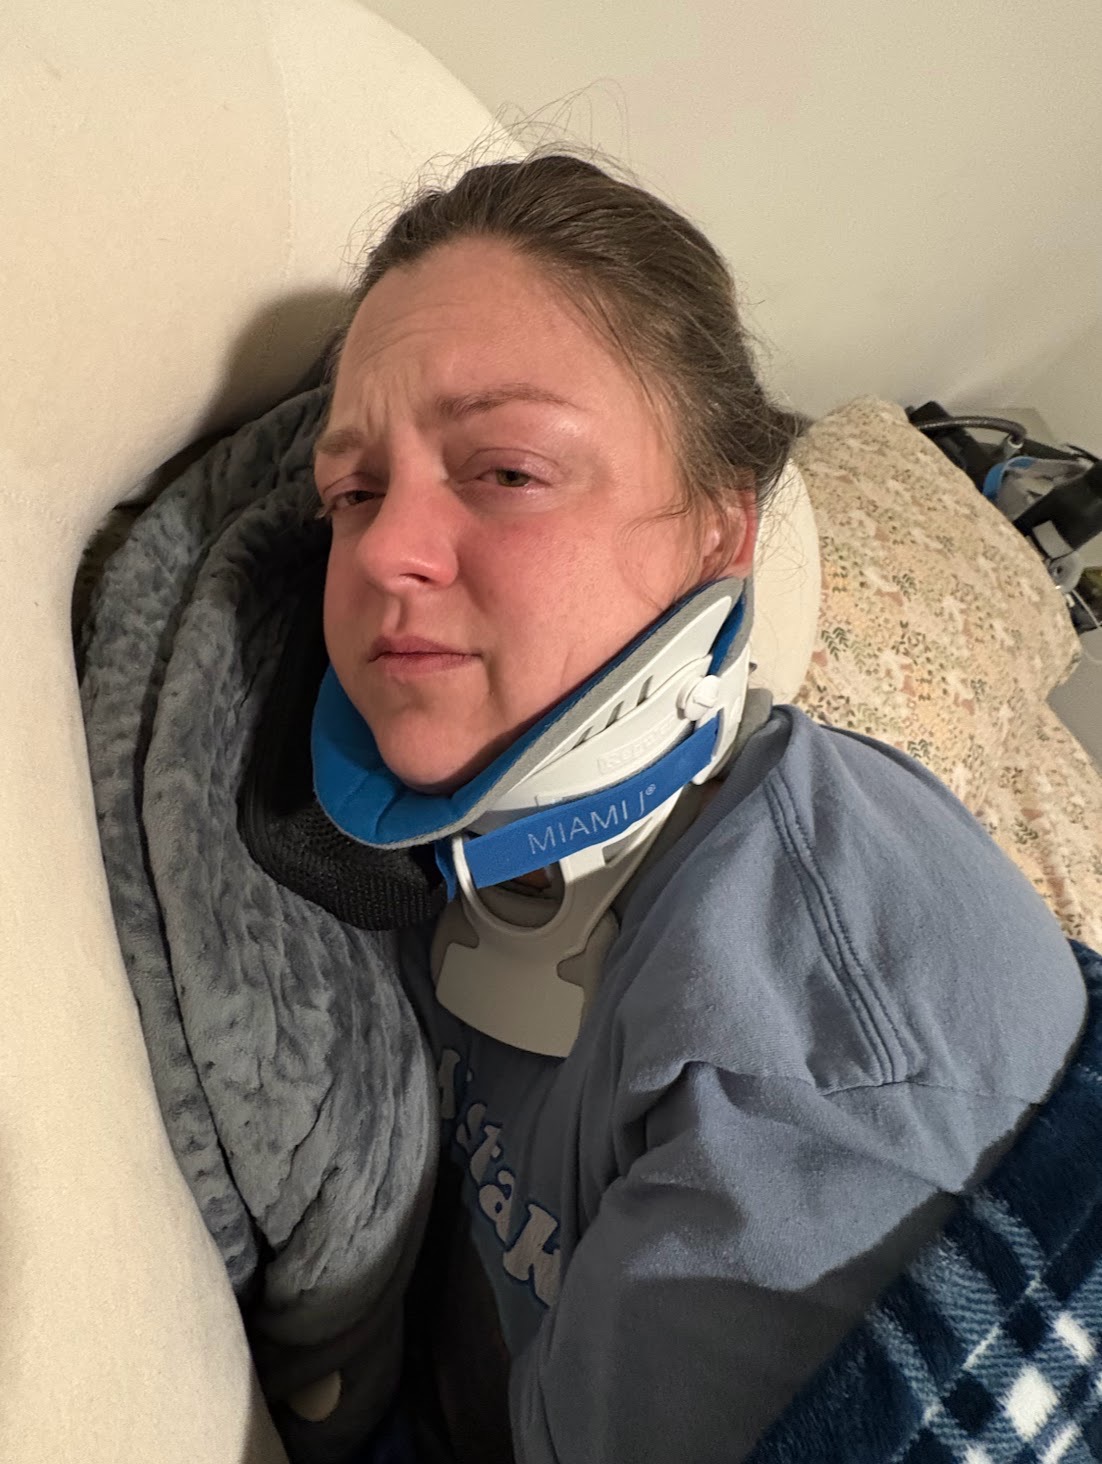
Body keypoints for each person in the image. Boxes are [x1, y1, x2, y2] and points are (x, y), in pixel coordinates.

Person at [308, 150, 1087, 1463]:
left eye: (506, 470)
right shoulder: (416, 843)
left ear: (723, 533)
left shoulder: (821, 1076)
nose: (383, 548)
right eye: (352, 491)